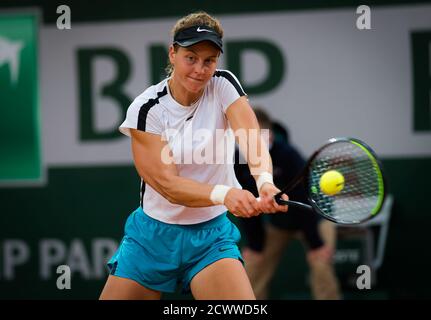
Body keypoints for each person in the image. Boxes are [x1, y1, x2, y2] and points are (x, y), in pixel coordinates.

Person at [99, 12, 289, 300]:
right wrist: (226, 194)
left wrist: (264, 182)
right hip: (152, 238)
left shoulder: (224, 85)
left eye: (209, 60)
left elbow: (252, 139)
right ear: (173, 53)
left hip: (210, 237)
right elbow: (168, 186)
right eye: (191, 57)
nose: (200, 69)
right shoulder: (147, 109)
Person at [234, 108, 341, 300]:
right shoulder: (239, 160)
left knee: (321, 263)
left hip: (315, 219)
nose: (252, 144)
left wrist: (316, 244)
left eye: (258, 136)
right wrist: (255, 245)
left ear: (270, 134)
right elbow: (248, 203)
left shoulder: (289, 155)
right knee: (253, 264)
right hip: (279, 224)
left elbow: (304, 199)